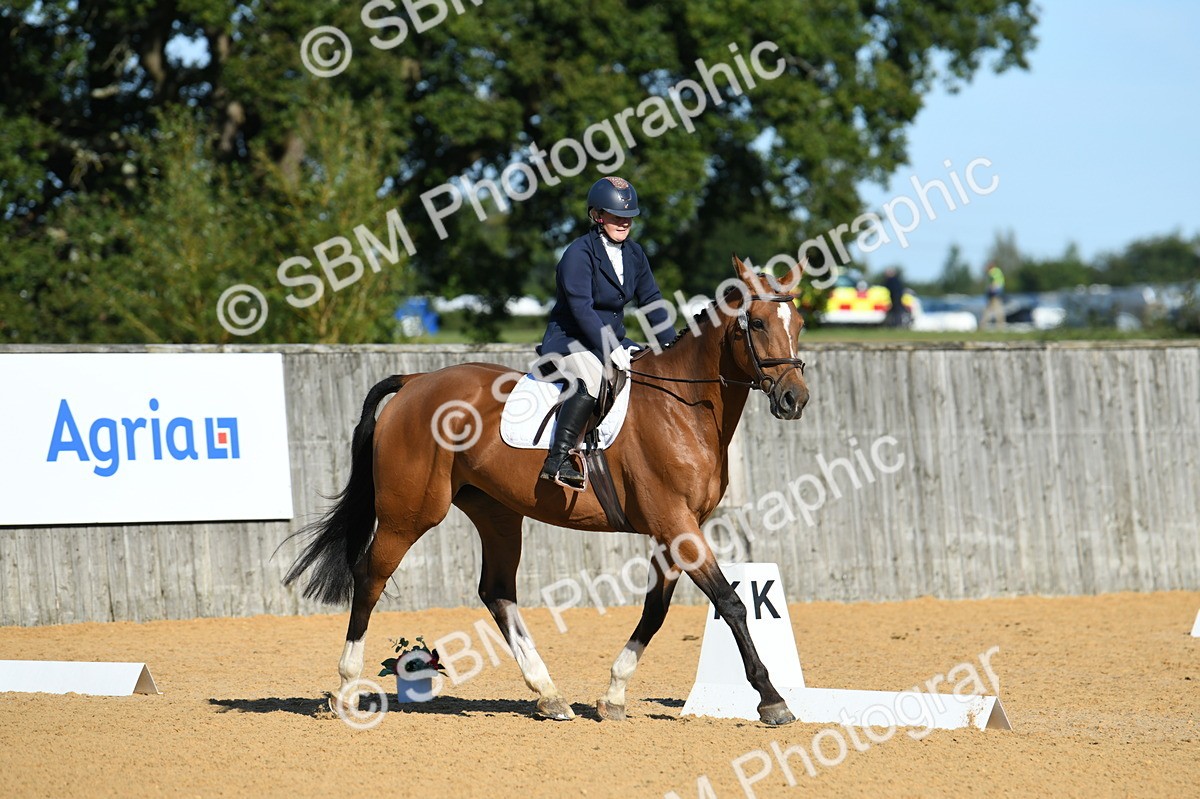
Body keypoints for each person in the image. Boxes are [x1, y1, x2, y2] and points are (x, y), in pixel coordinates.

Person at [535, 176, 675, 489]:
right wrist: (610, 347)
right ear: (598, 215)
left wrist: (671, 345)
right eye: (616, 216)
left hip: (613, 340)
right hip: (570, 341)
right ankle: (558, 458)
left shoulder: (635, 254)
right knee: (592, 378)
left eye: (629, 217)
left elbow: (651, 300)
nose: (624, 222)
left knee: (649, 369)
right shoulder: (578, 254)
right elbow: (581, 309)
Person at [982, 261, 1006, 328]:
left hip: (994, 294)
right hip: (996, 294)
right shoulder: (997, 271)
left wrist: (991, 289)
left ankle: (999, 326)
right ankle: (984, 325)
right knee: (992, 310)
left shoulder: (993, 272)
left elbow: (995, 283)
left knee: (994, 310)